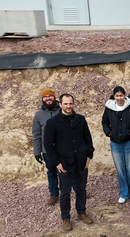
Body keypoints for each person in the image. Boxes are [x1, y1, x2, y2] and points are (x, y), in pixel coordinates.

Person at [44, 94, 94, 231]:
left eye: (70, 103)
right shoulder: (52, 122)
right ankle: (65, 218)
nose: (68, 106)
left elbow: (87, 138)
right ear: (60, 104)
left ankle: (82, 212)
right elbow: (48, 145)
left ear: (73, 104)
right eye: (65, 104)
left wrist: (89, 155)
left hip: (81, 161)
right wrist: (57, 163)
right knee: (65, 193)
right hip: (64, 163)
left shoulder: (81, 119)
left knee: (81, 190)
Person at [32, 88, 76, 205]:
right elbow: (36, 134)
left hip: (64, 149)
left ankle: (77, 190)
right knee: (52, 172)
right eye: (45, 97)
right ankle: (54, 194)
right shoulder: (39, 115)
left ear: (54, 97)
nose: (48, 98)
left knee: (70, 170)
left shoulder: (62, 111)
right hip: (48, 151)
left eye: (50, 96)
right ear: (42, 99)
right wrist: (37, 151)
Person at [102, 86, 130, 204]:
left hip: (129, 142)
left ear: (124, 95)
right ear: (114, 96)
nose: (119, 98)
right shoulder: (109, 107)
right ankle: (124, 193)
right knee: (120, 169)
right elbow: (104, 121)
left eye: (121, 95)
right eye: (117, 96)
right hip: (115, 143)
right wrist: (109, 132)